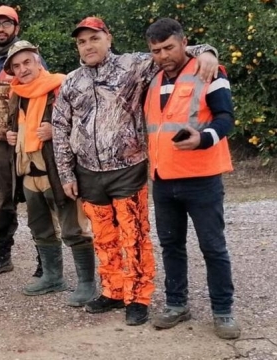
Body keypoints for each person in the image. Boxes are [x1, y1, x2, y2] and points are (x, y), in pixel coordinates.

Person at [52, 16, 220, 326]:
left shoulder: (135, 65)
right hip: (87, 172)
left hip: (127, 168)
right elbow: (60, 129)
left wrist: (208, 52)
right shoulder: (71, 81)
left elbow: (177, 52)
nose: (88, 45)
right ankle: (114, 291)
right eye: (82, 41)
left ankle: (138, 297)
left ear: (108, 38)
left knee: (135, 236)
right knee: (103, 238)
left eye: (94, 38)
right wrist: (65, 173)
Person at [143, 18, 240, 339]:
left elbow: (226, 118)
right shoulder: (153, 79)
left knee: (213, 247)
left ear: (184, 43)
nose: (163, 55)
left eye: (169, 47)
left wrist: (204, 138)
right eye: (156, 50)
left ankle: (223, 311)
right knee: (171, 246)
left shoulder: (209, 71)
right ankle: (176, 304)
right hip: (163, 179)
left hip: (202, 179)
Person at [3, 41, 94, 302]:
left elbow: (86, 121)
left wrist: (57, 131)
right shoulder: (16, 94)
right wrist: (12, 135)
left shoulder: (61, 85)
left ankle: (87, 285)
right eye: (16, 66)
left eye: (27, 62)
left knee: (73, 228)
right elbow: (19, 125)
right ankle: (53, 277)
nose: (22, 69)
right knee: (40, 228)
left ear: (38, 61)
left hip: (58, 173)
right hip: (30, 173)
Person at [0, 4, 46, 279]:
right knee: (6, 200)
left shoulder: (25, 55)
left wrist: (24, 129)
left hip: (24, 138)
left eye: (7, 24)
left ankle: (45, 261)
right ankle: (2, 256)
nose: (1, 29)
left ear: (16, 28)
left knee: (34, 198)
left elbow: (40, 94)